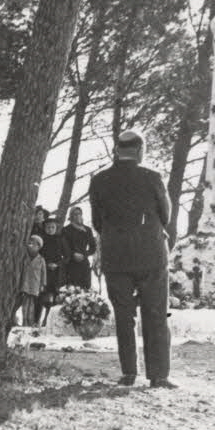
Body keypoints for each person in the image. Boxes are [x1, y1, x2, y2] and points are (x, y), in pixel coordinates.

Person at [88, 129, 175, 389]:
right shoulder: (152, 177)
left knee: (124, 317)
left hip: (116, 256)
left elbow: (96, 221)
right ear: (140, 150)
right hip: (151, 254)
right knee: (155, 314)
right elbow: (166, 215)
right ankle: (158, 376)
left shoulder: (99, 180)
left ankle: (128, 373)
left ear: (117, 150)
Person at [37, 215, 70, 324]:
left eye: (52, 227)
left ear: (56, 228)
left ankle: (49, 320)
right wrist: (46, 264)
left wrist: (58, 264)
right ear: (44, 228)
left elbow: (67, 256)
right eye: (48, 227)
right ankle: (36, 320)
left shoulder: (60, 239)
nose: (50, 229)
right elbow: (38, 254)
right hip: (44, 271)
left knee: (56, 296)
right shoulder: (41, 239)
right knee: (42, 296)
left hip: (57, 272)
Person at [61, 206, 97, 290]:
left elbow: (93, 247)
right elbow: (63, 246)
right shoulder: (66, 230)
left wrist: (85, 254)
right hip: (70, 263)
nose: (77, 216)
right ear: (71, 216)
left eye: (79, 214)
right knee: (71, 289)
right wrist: (73, 254)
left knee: (85, 289)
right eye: (75, 214)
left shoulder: (87, 230)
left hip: (84, 263)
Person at [19, 235, 47, 327]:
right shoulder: (24, 257)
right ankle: (24, 320)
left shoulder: (41, 260)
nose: (31, 246)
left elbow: (43, 273)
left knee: (32, 302)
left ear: (38, 247)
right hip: (25, 282)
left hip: (35, 283)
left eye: (34, 244)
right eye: (29, 243)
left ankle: (30, 320)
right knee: (25, 302)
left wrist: (43, 284)